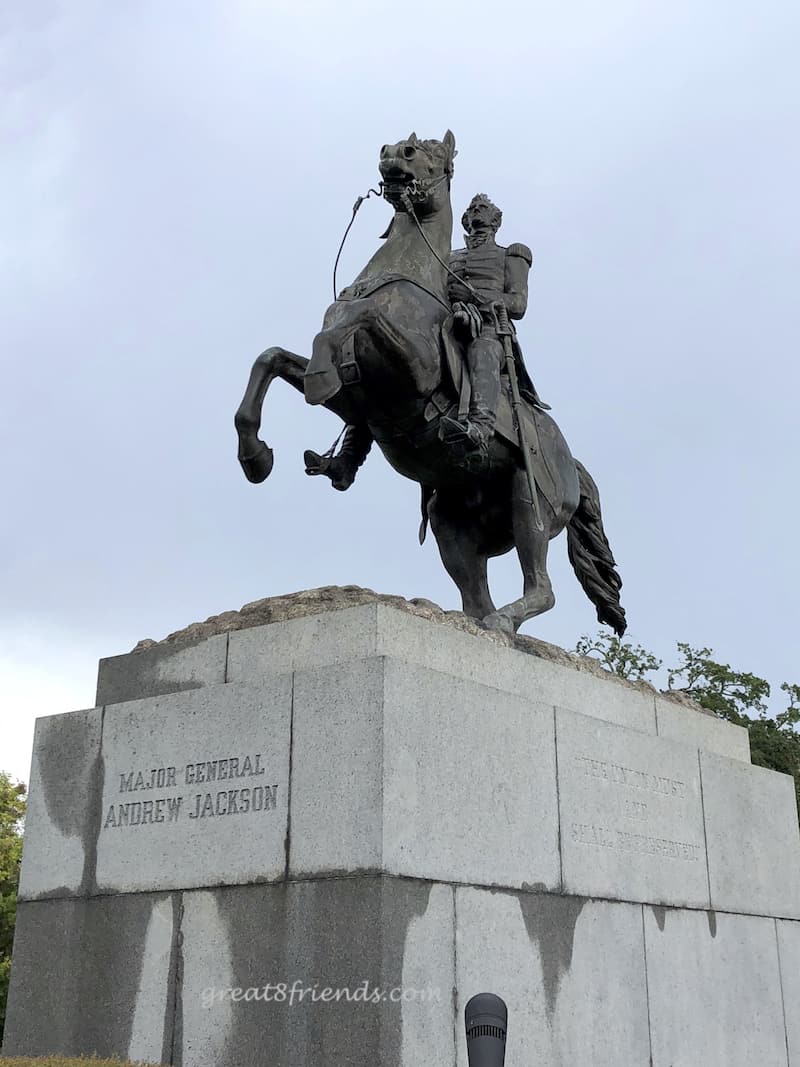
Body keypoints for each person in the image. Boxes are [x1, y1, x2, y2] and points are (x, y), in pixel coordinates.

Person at [439, 192, 547, 470]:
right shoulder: (446, 257)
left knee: (482, 352)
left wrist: (479, 301)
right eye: (472, 207)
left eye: (483, 207)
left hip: (488, 329)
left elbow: (518, 303)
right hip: (449, 323)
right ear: (464, 220)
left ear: (496, 219)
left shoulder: (512, 253)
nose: (476, 210)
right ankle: (350, 454)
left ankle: (480, 429)